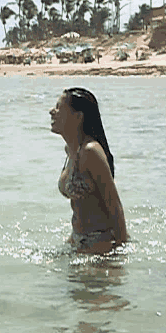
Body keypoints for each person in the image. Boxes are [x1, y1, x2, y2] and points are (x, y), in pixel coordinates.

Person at [49, 87, 128, 253]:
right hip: (78, 241)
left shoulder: (90, 152)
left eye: (59, 108)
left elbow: (114, 205)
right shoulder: (70, 151)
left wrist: (120, 251)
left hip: (101, 244)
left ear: (78, 117)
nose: (52, 112)